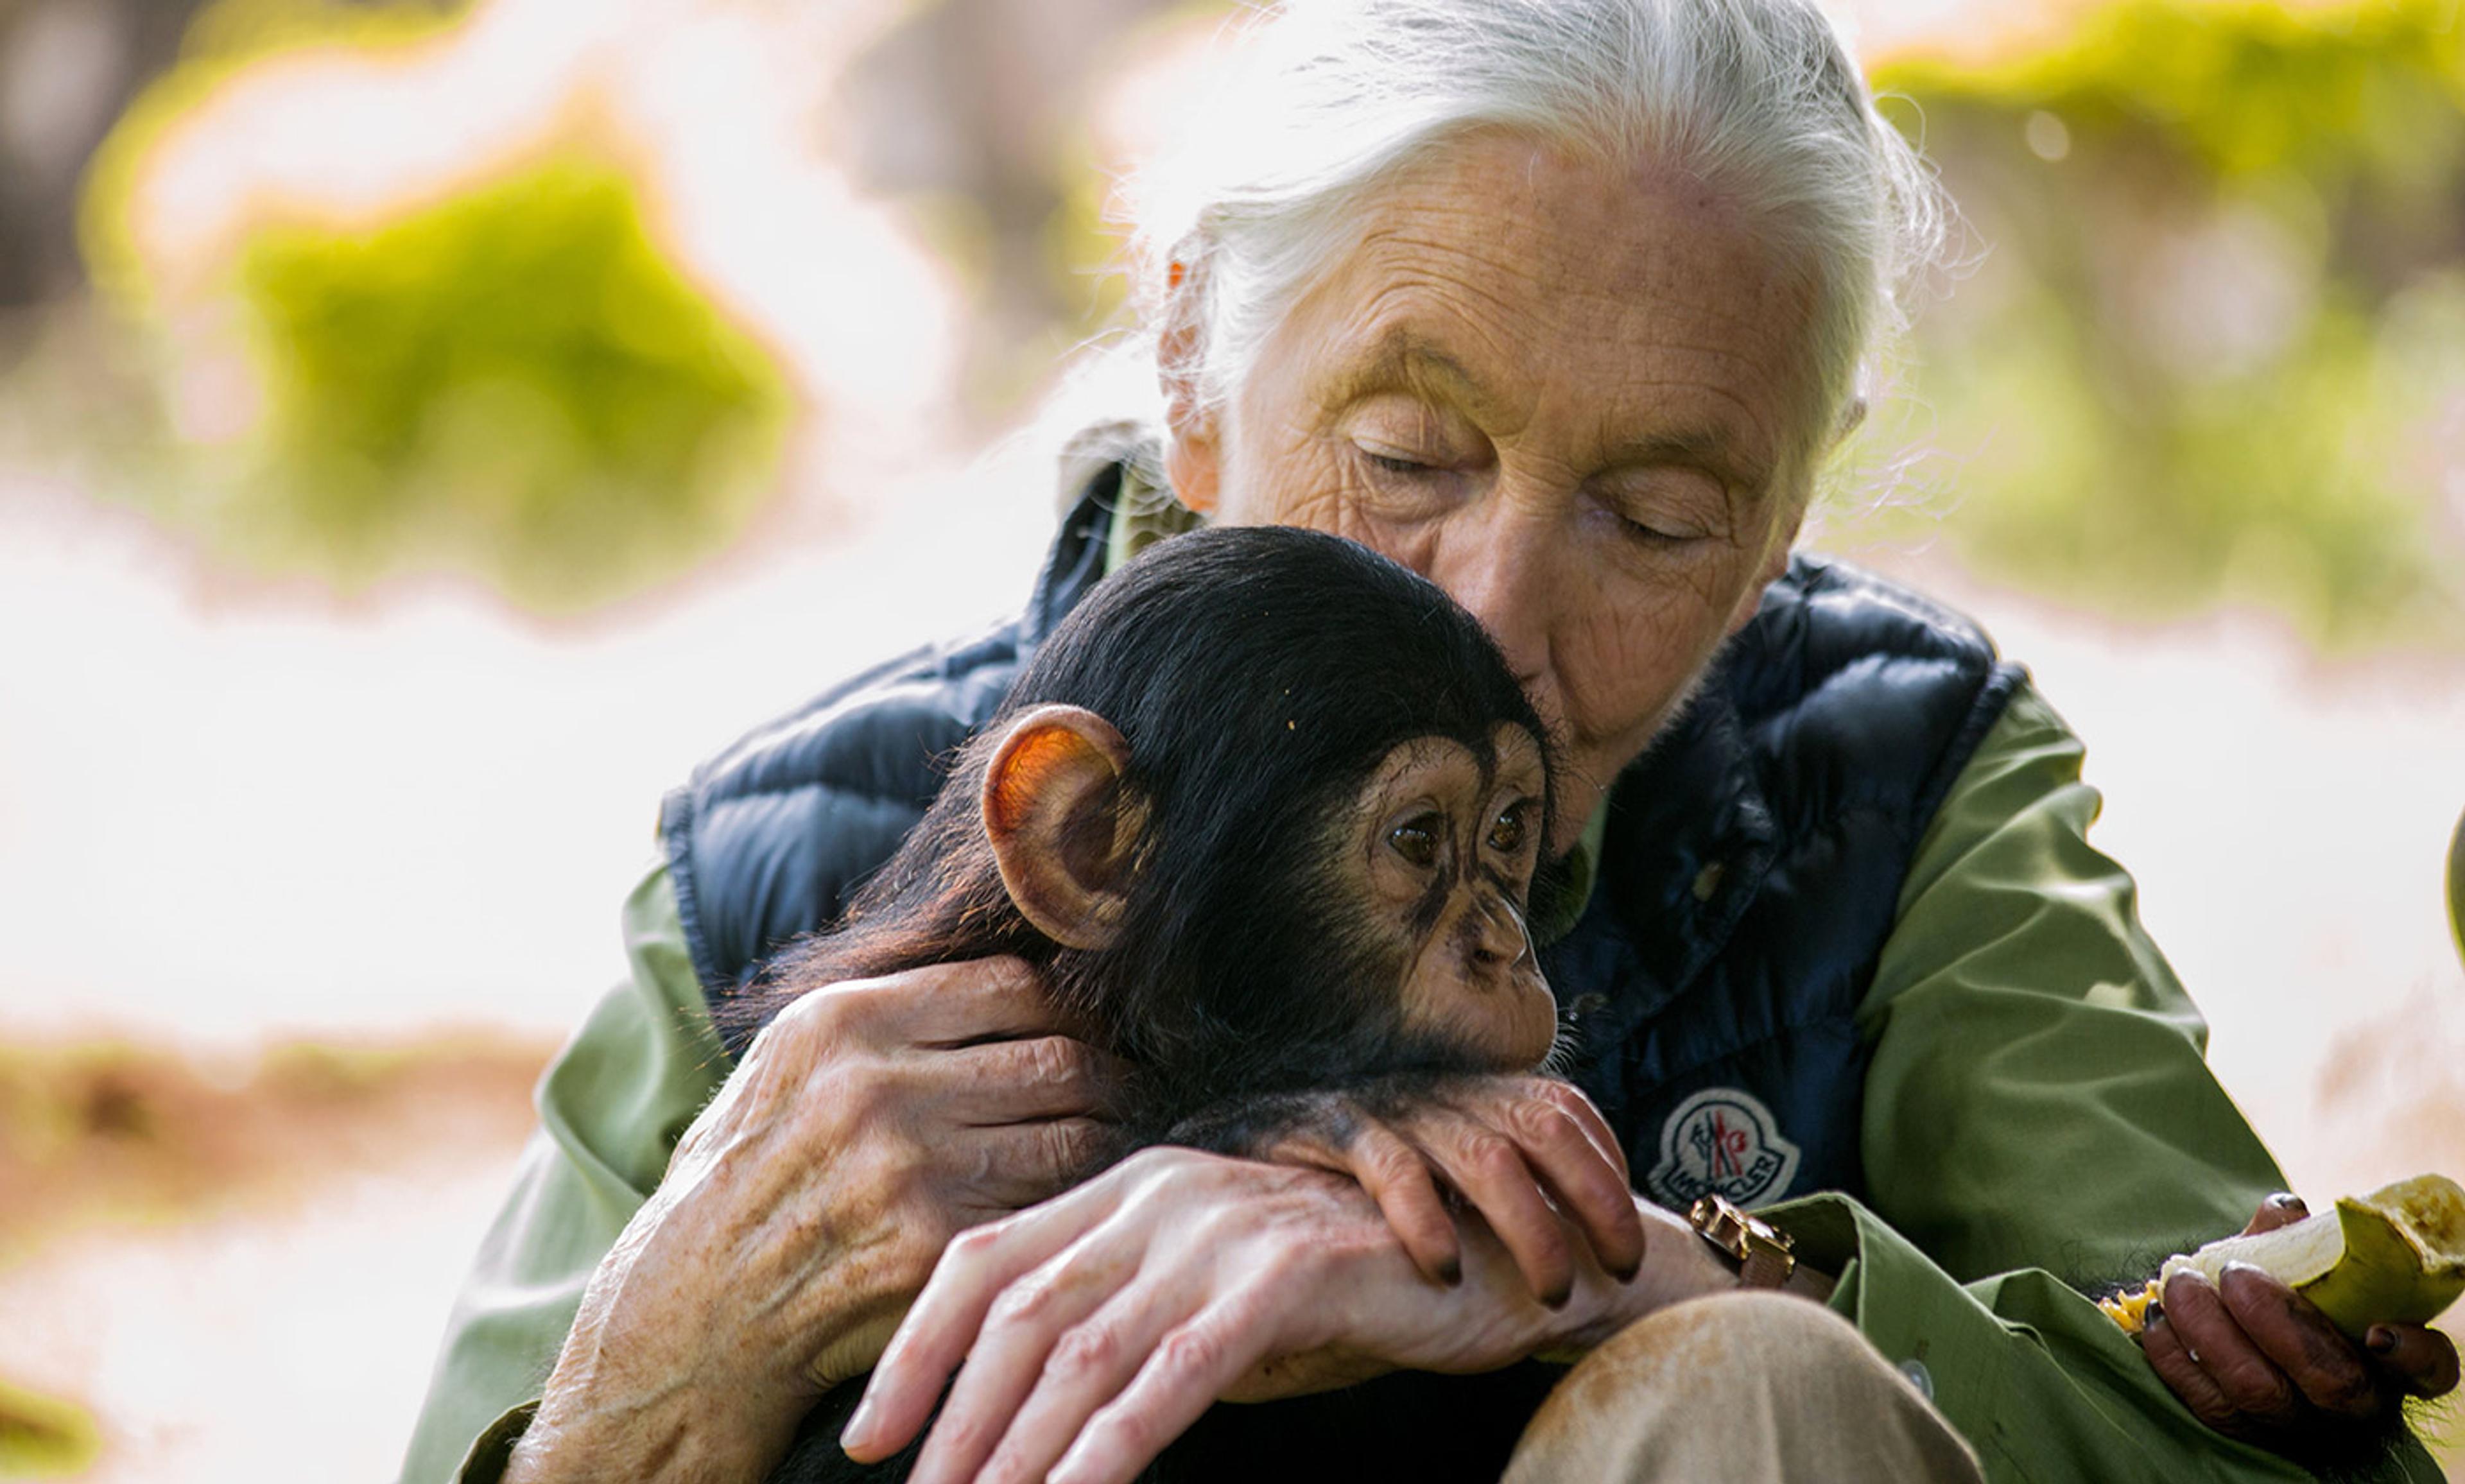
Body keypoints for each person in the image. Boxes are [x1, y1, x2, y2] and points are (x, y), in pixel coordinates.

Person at [397, 2, 2460, 1481]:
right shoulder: (789, 864)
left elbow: (2266, 1429)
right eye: (1404, 455)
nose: (1487, 620)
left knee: (1742, 1391)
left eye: (1655, 521)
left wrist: (1644, 1281)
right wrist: (675, 1352)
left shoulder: (1894, 783)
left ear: (1780, 521)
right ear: (1196, 368)